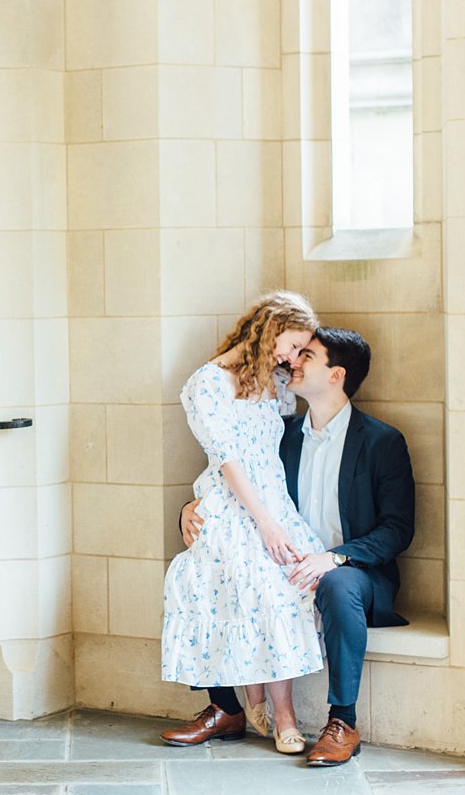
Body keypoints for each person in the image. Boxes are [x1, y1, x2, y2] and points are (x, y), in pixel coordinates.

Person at [180, 326, 415, 766]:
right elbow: (235, 484)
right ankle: (226, 708)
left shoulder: (383, 442)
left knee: (337, 585)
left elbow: (398, 529)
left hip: (355, 572)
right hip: (280, 559)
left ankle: (342, 722)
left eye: (307, 355)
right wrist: (188, 510)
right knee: (206, 566)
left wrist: (334, 557)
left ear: (335, 375)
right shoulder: (280, 433)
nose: (292, 362)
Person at [159, 291, 325, 756]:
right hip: (235, 503)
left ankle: (276, 711)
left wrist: (277, 521)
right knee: (248, 583)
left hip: (274, 502)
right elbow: (230, 461)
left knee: (285, 586)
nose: (292, 358)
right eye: (292, 345)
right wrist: (265, 525)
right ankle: (254, 705)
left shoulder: (277, 384)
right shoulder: (206, 383)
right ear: (269, 326)